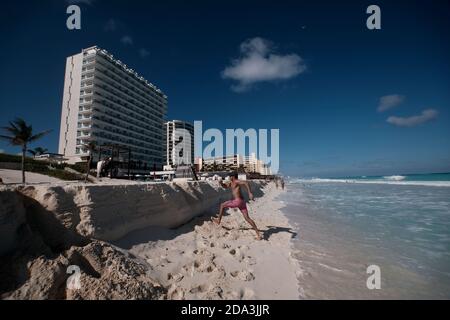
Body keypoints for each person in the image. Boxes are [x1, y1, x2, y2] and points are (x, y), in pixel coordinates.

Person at [212, 173, 262, 240]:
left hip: (237, 201)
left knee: (222, 205)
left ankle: (218, 220)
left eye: (230, 176)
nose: (229, 177)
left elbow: (246, 183)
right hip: (242, 202)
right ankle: (258, 234)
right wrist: (221, 183)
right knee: (247, 218)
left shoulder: (236, 181)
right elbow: (225, 186)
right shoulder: (231, 183)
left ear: (233, 177)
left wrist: (250, 193)